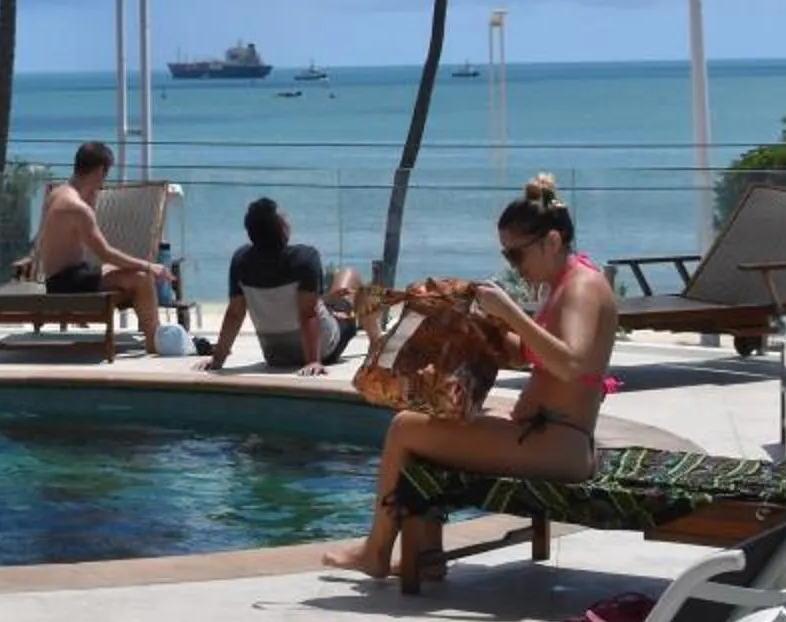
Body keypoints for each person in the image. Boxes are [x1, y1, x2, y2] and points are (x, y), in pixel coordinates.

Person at [321, 174, 615, 585]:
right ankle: (425, 556)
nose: (514, 265)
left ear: (551, 241)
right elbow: (534, 355)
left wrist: (511, 312)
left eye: (517, 255)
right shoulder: (563, 283)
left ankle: (377, 551)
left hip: (558, 446)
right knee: (434, 417)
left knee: (405, 429)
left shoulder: (581, 288)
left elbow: (572, 364)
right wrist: (477, 321)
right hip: (549, 437)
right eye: (507, 255)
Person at [29, 140, 167, 351]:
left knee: (125, 271)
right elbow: (105, 253)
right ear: (101, 170)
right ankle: (154, 343)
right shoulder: (76, 208)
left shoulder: (58, 193)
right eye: (105, 174)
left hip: (64, 276)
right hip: (68, 282)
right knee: (142, 278)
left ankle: (154, 338)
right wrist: (150, 266)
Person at [202, 198, 360, 376]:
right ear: (283, 228)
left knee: (326, 302)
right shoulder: (305, 257)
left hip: (276, 355)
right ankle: (372, 334)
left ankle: (335, 311)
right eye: (285, 217)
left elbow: (235, 314)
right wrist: (313, 361)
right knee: (349, 275)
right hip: (324, 349)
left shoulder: (241, 261)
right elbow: (308, 314)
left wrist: (217, 360)